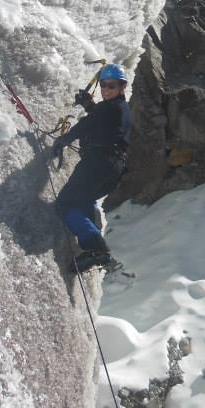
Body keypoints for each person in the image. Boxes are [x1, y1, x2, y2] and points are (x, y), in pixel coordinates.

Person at [52, 63, 130, 270]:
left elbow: (88, 124)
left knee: (66, 203)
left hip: (98, 161)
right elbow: (102, 119)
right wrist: (89, 105)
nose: (105, 89)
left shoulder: (110, 108)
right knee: (83, 199)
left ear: (122, 87)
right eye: (103, 85)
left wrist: (63, 140)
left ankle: (96, 248)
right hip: (114, 168)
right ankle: (92, 231)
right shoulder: (121, 109)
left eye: (111, 86)